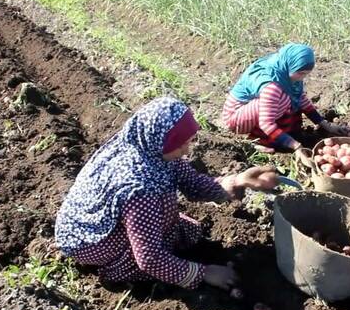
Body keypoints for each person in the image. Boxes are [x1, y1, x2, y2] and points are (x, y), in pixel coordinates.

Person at [55, 97, 278, 291]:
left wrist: (238, 181)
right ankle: (115, 266)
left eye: (188, 142)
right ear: (163, 141)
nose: (187, 151)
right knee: (151, 250)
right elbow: (149, 259)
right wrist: (204, 273)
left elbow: (192, 184)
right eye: (181, 146)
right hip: (88, 240)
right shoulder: (141, 189)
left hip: (101, 217)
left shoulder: (149, 147)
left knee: (170, 223)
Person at [221, 43, 348, 158]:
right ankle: (254, 140)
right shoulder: (272, 86)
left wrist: (325, 125)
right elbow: (266, 123)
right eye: (301, 73)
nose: (302, 78)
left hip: (258, 109)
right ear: (290, 66)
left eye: (306, 74)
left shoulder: (287, 73)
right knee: (282, 100)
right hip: (237, 118)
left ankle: (283, 132)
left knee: (289, 99)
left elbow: (301, 99)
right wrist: (295, 146)